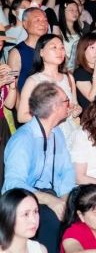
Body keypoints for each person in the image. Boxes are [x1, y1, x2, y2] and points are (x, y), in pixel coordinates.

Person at [3, 82, 75, 253]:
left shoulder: (57, 133)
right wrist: (50, 201)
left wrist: (64, 202)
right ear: (55, 107)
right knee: (50, 221)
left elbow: (67, 172)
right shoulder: (22, 139)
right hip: (25, 201)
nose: (70, 104)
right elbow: (13, 184)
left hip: (54, 196)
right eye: (66, 100)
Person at [7, 8, 49, 92]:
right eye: (37, 20)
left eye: (45, 20)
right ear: (25, 24)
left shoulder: (52, 49)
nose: (43, 23)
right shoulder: (16, 52)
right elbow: (12, 84)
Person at [0, 188, 46, 253]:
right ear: (8, 217)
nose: (34, 220)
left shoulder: (40, 249)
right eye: (26, 214)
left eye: (35, 211)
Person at [73, 33, 96, 110]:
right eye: (92, 47)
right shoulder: (79, 73)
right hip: (92, 116)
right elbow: (94, 98)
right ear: (83, 51)